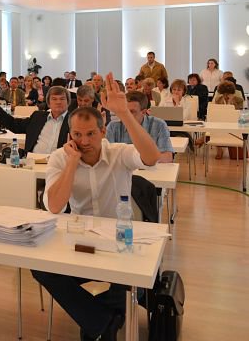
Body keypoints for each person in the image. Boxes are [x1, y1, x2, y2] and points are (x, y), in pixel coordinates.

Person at [35, 73, 161, 341]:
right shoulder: (59, 158)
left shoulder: (118, 152)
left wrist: (124, 113)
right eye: (78, 135)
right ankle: (103, 320)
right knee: (40, 266)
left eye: (91, 134)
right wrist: (72, 162)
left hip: (119, 240)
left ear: (103, 132)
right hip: (80, 241)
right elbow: (55, 206)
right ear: (69, 135)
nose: (84, 141)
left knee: (123, 282)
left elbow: (152, 157)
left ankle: (97, 322)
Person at [0, 85, 71, 153]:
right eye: (54, 99)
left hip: (60, 164)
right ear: (48, 103)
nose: (58, 102)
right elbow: (13, 124)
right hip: (34, 161)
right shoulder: (38, 117)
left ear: (68, 102)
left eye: (62, 99)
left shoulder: (73, 121)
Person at [106, 91, 174, 163]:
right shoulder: (113, 126)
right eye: (125, 111)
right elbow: (108, 155)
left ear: (143, 112)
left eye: (132, 112)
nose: (127, 115)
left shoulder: (158, 125)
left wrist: (138, 161)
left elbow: (167, 157)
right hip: (124, 168)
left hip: (148, 169)